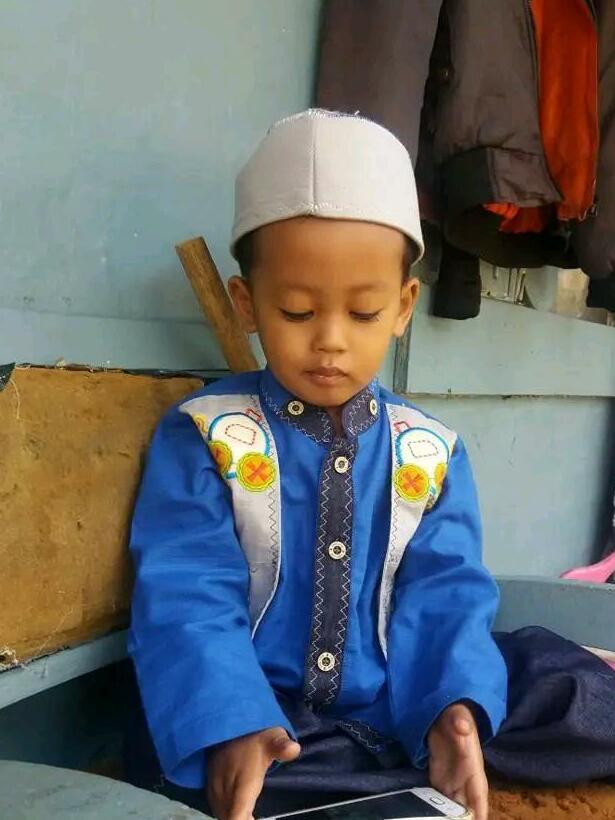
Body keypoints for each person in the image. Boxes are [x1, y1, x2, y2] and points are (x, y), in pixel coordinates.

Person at [128, 109, 509, 820]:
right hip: (262, 719)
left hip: (392, 709)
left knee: (560, 689)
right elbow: (186, 590)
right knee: (236, 766)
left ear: (403, 306)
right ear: (246, 303)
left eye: (363, 314)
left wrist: (450, 709)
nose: (330, 341)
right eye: (298, 312)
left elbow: (446, 590)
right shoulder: (206, 434)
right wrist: (232, 721)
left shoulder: (428, 449)